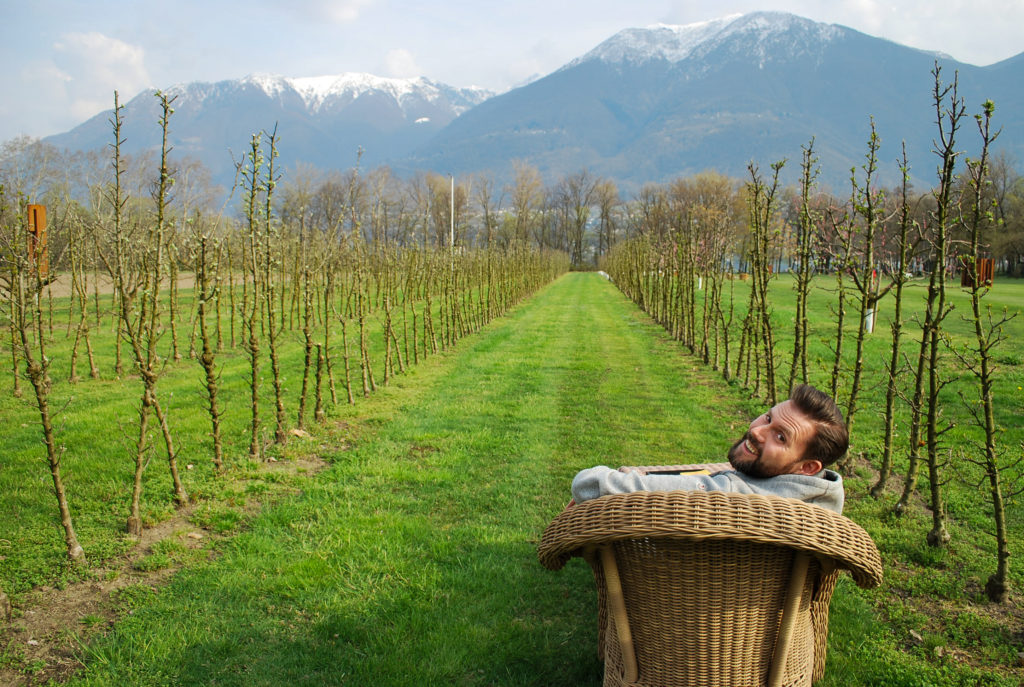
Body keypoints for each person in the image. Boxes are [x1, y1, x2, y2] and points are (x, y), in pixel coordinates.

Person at [570, 384, 848, 513]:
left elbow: (590, 485)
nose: (757, 431)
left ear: (808, 467)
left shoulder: (730, 498)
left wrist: (607, 482)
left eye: (780, 437)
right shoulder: (822, 499)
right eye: (767, 417)